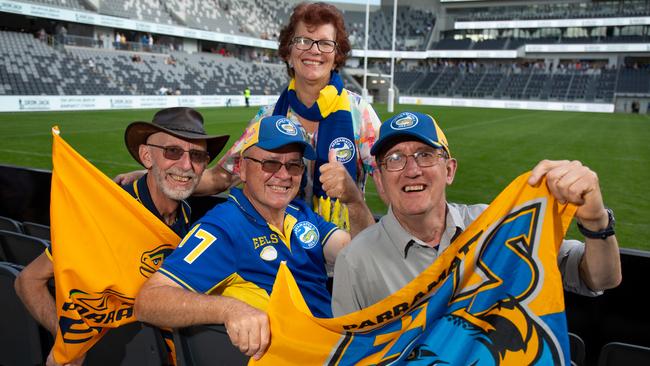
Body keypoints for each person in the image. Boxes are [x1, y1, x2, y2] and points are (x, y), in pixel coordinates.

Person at [115, 2, 382, 238]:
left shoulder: (360, 113)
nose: (313, 50)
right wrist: (156, 178)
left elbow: (390, 181)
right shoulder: (267, 117)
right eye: (303, 41)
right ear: (288, 52)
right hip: (284, 251)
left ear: (336, 56)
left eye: (325, 43)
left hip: (344, 250)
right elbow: (222, 176)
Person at [331, 111, 622, 316]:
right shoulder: (355, 261)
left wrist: (596, 221)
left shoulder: (496, 227)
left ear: (450, 170)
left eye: (425, 154)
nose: (412, 170)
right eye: (394, 159)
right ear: (379, 180)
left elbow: (600, 278)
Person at [14, 107, 229, 366]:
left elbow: (219, 178)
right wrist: (67, 340)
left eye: (197, 155)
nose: (186, 165)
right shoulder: (109, 215)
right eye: (172, 151)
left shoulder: (183, 209)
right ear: (147, 156)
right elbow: (28, 280)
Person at [134, 115, 352, 360]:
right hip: (302, 356)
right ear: (242, 169)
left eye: (293, 165)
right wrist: (229, 309)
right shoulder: (224, 228)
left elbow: (357, 255)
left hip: (340, 345)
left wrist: (353, 201)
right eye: (270, 163)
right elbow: (149, 301)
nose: (283, 175)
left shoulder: (300, 212)